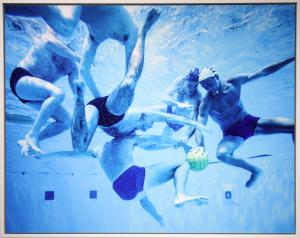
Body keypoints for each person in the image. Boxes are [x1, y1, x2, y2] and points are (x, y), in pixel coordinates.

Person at [71, 9, 209, 152]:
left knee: (79, 148)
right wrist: (198, 126)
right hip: (111, 110)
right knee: (130, 79)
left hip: (102, 113)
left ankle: (78, 100)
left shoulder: (132, 138)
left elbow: (153, 144)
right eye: (149, 125)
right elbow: (168, 117)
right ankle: (143, 32)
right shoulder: (144, 116)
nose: (148, 128)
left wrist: (180, 144)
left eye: (148, 128)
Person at [196, 56, 295, 188]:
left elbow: (264, 72)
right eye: (204, 87)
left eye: (210, 83)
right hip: (232, 134)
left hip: (251, 122)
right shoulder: (206, 103)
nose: (209, 88)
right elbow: (199, 125)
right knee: (222, 155)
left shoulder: (234, 83)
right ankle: (255, 171)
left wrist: (292, 58)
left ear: (216, 76)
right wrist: (201, 146)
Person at [6, 5, 139, 97]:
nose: (121, 42)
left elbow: (83, 70)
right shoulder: (132, 31)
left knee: (63, 26)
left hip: (77, 9)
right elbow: (130, 73)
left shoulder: (95, 36)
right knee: (66, 29)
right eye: (123, 40)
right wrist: (125, 89)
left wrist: (99, 99)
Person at [92, 132, 208, 226]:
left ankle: (158, 217)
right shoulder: (128, 138)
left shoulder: (98, 149)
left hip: (120, 190)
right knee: (183, 164)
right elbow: (158, 139)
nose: (143, 128)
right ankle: (180, 195)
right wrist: (181, 144)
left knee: (143, 198)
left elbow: (78, 153)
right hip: (132, 177)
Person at [10, 29, 81, 156]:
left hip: (37, 95)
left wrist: (80, 111)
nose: (74, 44)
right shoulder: (52, 38)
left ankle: (30, 141)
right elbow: (47, 41)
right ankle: (32, 134)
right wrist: (76, 57)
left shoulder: (72, 66)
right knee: (58, 94)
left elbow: (76, 91)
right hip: (21, 79)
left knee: (66, 121)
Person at [159, 67, 203, 144]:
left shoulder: (197, 96)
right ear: (184, 80)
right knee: (147, 114)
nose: (191, 89)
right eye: (189, 85)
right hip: (171, 109)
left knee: (163, 139)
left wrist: (186, 136)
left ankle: (173, 145)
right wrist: (178, 104)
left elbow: (195, 121)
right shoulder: (179, 81)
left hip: (180, 118)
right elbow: (164, 97)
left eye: (195, 86)